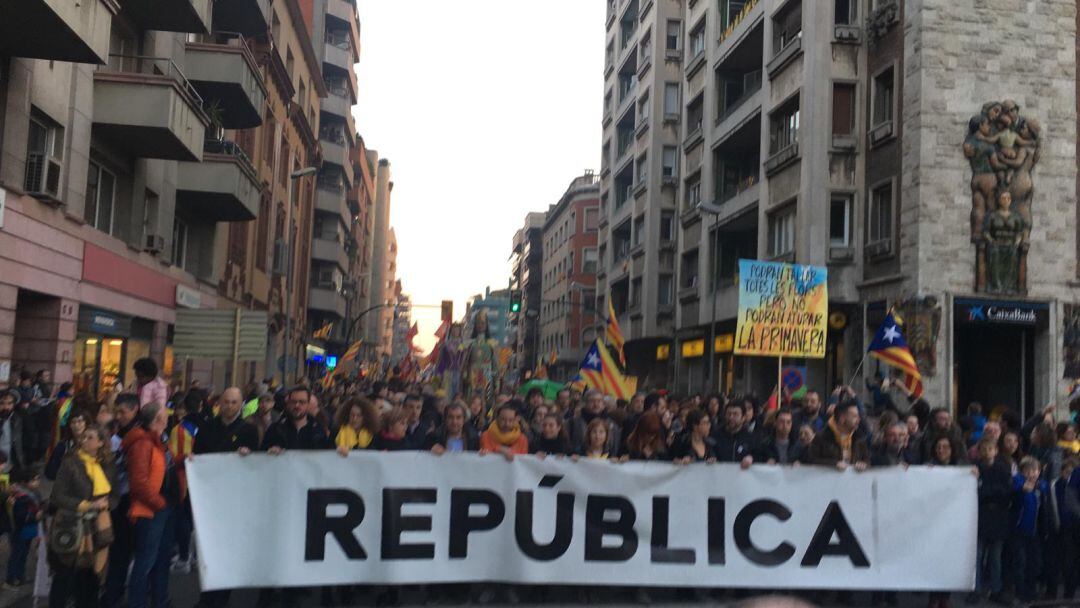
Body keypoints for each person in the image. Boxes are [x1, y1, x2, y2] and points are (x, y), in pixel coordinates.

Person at [191, 388, 260, 608]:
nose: (229, 406)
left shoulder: (248, 430)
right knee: (208, 549)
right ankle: (207, 596)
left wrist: (249, 456)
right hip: (210, 499)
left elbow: (257, 465)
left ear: (241, 404)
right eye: (226, 402)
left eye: (234, 402)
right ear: (219, 403)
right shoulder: (206, 428)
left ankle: (222, 597)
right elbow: (198, 455)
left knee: (228, 549)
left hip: (234, 499)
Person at [48, 423, 118, 608]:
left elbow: (115, 494)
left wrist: (106, 505)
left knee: (91, 576)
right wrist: (86, 505)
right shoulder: (70, 462)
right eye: (84, 436)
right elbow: (57, 495)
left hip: (98, 527)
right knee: (65, 574)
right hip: (71, 526)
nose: (83, 440)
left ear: (101, 443)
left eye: (90, 437)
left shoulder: (107, 465)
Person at [125, 402, 178, 608]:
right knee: (145, 561)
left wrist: (182, 459)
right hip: (152, 509)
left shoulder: (159, 440)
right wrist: (160, 504)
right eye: (165, 414)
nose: (168, 417)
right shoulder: (143, 443)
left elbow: (165, 466)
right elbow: (139, 483)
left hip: (162, 506)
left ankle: (160, 599)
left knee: (160, 558)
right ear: (158, 419)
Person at [102, 394, 140, 608]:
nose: (119, 416)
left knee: (123, 549)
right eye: (116, 412)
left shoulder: (138, 433)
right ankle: (112, 590)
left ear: (134, 410)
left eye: (122, 412)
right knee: (116, 549)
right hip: (114, 499)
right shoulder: (118, 433)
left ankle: (115, 592)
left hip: (128, 499)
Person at [970, 437, 1013, 605]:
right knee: (978, 556)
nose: (987, 452)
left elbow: (1006, 492)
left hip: (998, 517)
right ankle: (976, 589)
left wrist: (986, 491)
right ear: (979, 452)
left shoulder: (1003, 468)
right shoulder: (976, 469)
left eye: (990, 449)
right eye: (984, 449)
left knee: (996, 557)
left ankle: (996, 589)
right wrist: (990, 492)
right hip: (981, 517)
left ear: (995, 451)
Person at [1011, 456, 1052, 604]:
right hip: (1020, 530)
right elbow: (1014, 488)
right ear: (1023, 472)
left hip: (1036, 532)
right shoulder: (1019, 482)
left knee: (1034, 562)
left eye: (1035, 470)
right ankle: (1020, 591)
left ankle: (1031, 589)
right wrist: (1022, 489)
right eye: (1028, 470)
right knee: (1020, 561)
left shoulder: (1042, 485)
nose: (1032, 473)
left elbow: (1046, 487)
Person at [262, 386, 333, 453]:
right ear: (288, 403)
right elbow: (260, 454)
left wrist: (340, 452)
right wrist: (270, 451)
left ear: (308, 404)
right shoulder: (275, 429)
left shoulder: (319, 430)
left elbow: (329, 455)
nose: (297, 405)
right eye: (293, 401)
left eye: (302, 402)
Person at [5, 465, 42, 588]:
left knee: (23, 553)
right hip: (20, 530)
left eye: (37, 479)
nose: (37, 482)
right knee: (17, 553)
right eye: (34, 480)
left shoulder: (33, 494)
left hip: (27, 529)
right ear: (25, 482)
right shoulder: (21, 497)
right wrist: (34, 517)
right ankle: (11, 578)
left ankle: (20, 576)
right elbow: (20, 516)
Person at [807, 399, 869, 471]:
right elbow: (811, 461)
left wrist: (864, 464)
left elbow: (867, 460)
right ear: (842, 419)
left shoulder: (860, 438)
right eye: (855, 416)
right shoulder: (821, 438)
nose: (859, 419)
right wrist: (834, 464)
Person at [45, 409, 89, 480]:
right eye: (73, 422)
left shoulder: (93, 444)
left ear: (86, 423)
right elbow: (50, 471)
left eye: (80, 421)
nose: (76, 425)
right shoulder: (63, 445)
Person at [712, 400, 755, 468]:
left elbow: (758, 456)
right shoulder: (715, 436)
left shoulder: (751, 438)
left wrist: (751, 458)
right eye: (728, 414)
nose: (731, 417)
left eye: (735, 414)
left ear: (743, 417)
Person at [0, 389, 26, 473]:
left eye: (9, 403)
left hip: (10, 462)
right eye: (2, 403)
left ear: (14, 404)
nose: (6, 407)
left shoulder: (17, 419)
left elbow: (19, 443)